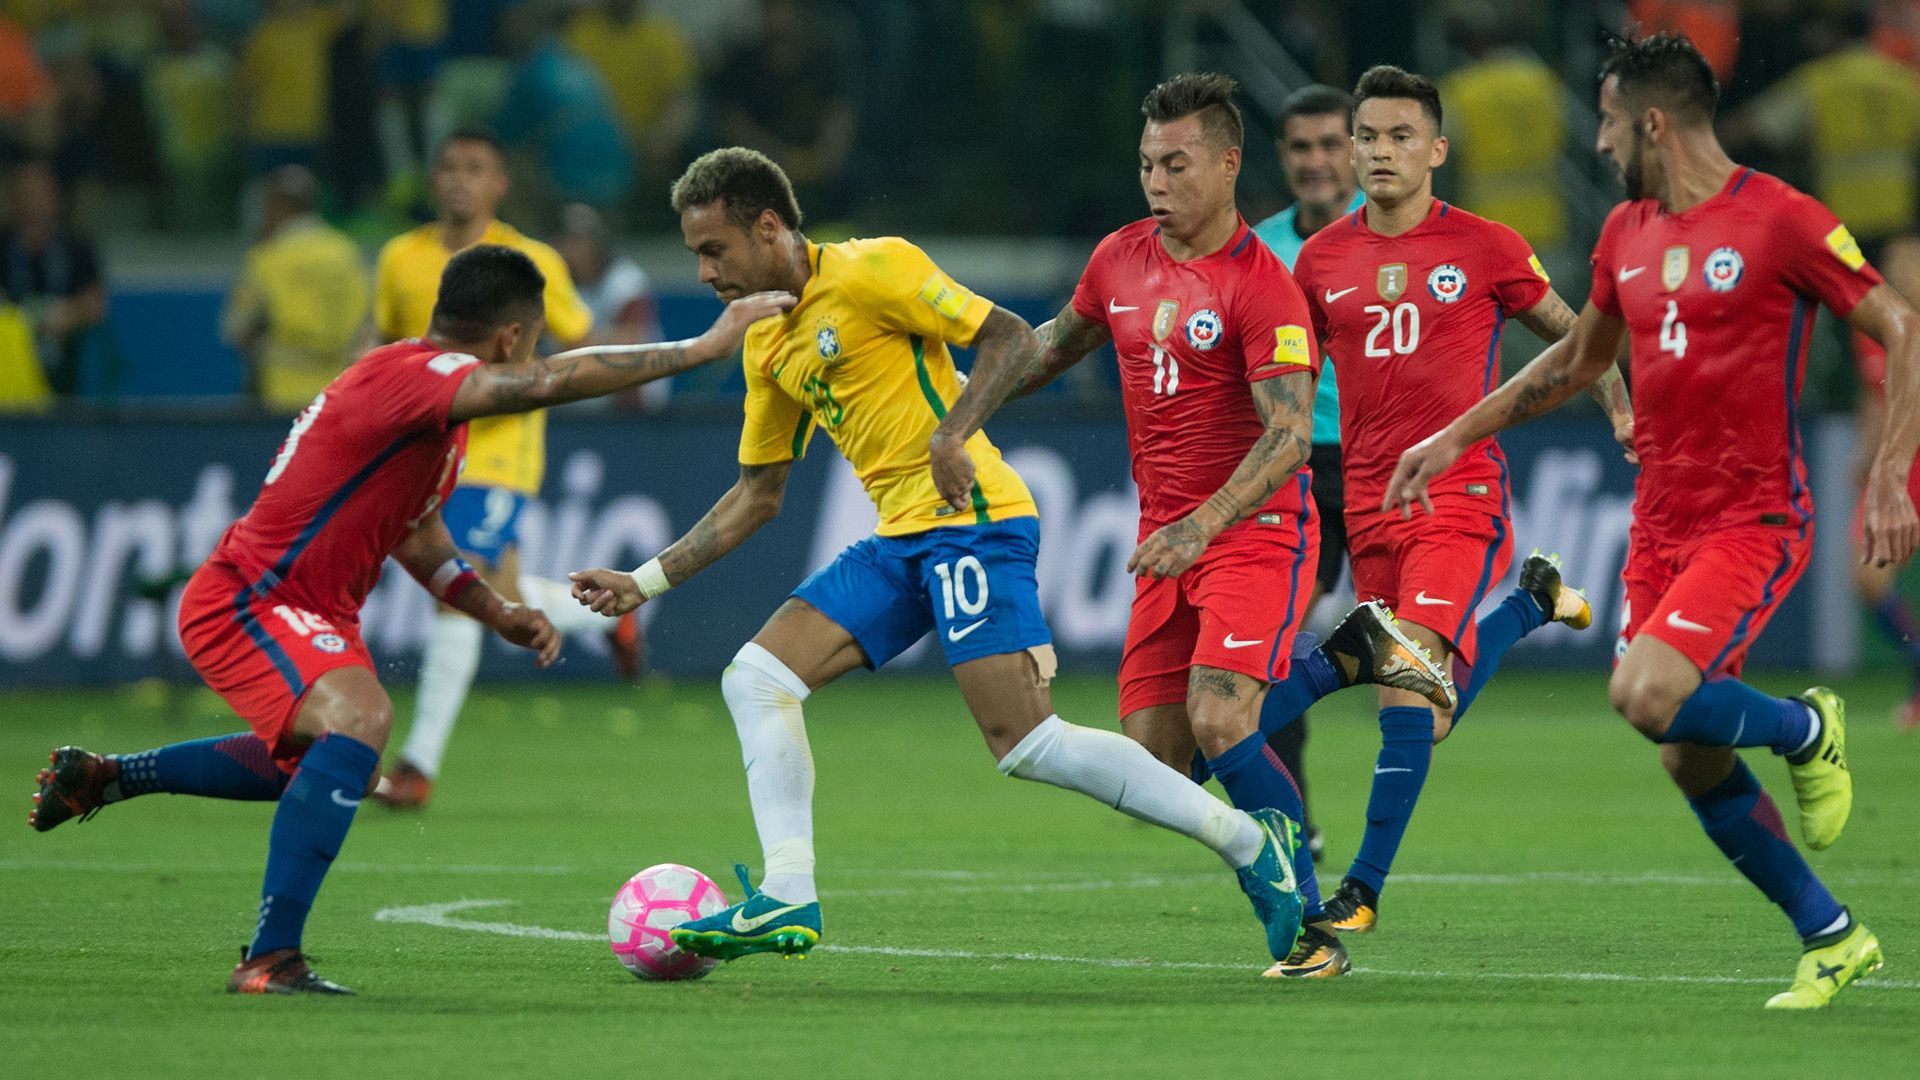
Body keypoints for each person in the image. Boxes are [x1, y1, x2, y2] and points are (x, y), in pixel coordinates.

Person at [569, 145, 1418, 970]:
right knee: (755, 678)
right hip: (901, 539)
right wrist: (643, 582)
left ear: (767, 226)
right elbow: (758, 494)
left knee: (1027, 744)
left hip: (973, 520)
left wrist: (953, 434)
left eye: (714, 250)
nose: (705, 272)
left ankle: (1250, 842)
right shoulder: (767, 343)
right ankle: (789, 891)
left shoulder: (873, 269)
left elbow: (1010, 337)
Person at [29, 244, 794, 993]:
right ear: (510, 338)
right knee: (361, 720)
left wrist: (498, 611)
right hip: (253, 597)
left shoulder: (423, 412)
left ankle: (108, 779)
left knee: (342, 763)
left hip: (308, 609)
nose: (529, 360)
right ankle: (270, 959)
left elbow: (419, 537)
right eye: (530, 345)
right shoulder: (413, 375)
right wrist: (703, 347)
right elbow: (544, 384)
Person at [1386, 33, 1920, 1009]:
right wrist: (1454, 436)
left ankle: (1806, 725)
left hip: (1751, 518)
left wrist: (1891, 473)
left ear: (1654, 123)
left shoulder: (1780, 219)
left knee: (1643, 694)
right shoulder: (1625, 232)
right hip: (1658, 524)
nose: (1598, 142)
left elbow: (1902, 324)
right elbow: (1575, 362)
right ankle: (1832, 935)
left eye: (1607, 122)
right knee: (1683, 748)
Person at [921, 74, 1457, 982]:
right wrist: (957, 418)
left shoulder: (1263, 286)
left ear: (1228, 164)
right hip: (1165, 538)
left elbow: (1290, 437)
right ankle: (1346, 659)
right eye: (1146, 164)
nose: (1156, 182)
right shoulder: (1119, 260)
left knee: (1219, 715)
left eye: (1176, 164)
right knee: (1154, 770)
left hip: (1253, 531)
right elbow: (1049, 348)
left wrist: (1205, 525)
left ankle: (1306, 926)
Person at [1288, 65, 1632, 947]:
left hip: (1458, 495)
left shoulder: (1484, 246)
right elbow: (1285, 376)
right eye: (1369, 137)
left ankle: (1361, 889)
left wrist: (1622, 406)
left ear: (1437, 150)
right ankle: (1529, 606)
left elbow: (1579, 335)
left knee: (1403, 681)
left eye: (1401, 137)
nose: (1381, 152)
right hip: (1367, 505)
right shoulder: (1319, 261)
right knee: (1426, 717)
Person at [370, 131, 633, 809]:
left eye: (475, 168)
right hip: (428, 450)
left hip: (498, 454)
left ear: (499, 184)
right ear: (433, 179)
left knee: (451, 593)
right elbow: (389, 345)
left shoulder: (532, 260)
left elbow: (578, 341)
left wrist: (524, 384)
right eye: (449, 167)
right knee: (499, 594)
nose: (460, 179)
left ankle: (418, 767)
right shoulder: (401, 258)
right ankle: (609, 615)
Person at [1249, 83, 1367, 866]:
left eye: (1331, 145)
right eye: (1301, 147)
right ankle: (1295, 820)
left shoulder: (1393, 233)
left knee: (1427, 663)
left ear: (1356, 151)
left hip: (1391, 460)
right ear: (1282, 155)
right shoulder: (1258, 250)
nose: (1316, 161)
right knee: (1280, 643)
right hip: (1300, 463)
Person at [1845, 236, 1920, 729]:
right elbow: (1873, 399)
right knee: (1867, 576)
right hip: (1898, 465)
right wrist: (1865, 455)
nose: (1902, 274)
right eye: (1895, 265)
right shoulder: (1874, 331)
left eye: (1912, 264)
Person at [221, 164, 368, 413]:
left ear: (274, 206)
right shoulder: (346, 252)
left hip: (282, 393)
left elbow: (238, 329)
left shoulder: (267, 258)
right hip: (341, 391)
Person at [0, 159, 106, 397]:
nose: (32, 202)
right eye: (25, 194)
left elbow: (96, 303)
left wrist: (68, 314)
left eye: (39, 193)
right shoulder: (3, 245)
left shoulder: (76, 247)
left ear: (54, 196)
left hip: (64, 355)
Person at [556, 202, 668, 411]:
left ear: (597, 244)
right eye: (567, 242)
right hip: (580, 406)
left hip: (633, 407)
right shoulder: (558, 282)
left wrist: (576, 341)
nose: (572, 250)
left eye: (580, 242)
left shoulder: (626, 281)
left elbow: (629, 344)